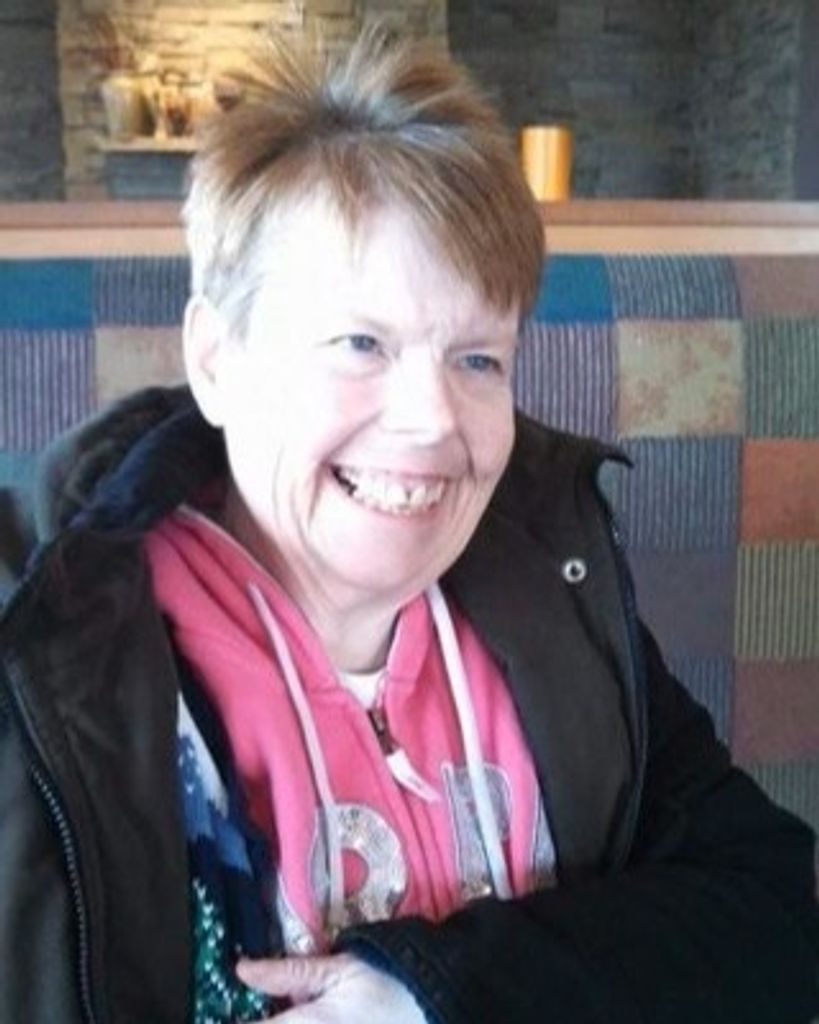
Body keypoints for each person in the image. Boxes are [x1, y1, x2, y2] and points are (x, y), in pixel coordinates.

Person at [0, 24, 817, 1024]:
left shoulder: (553, 583)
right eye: (361, 343)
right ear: (216, 360)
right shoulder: (47, 645)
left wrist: (432, 991)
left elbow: (774, 905)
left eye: (478, 359)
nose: (433, 419)